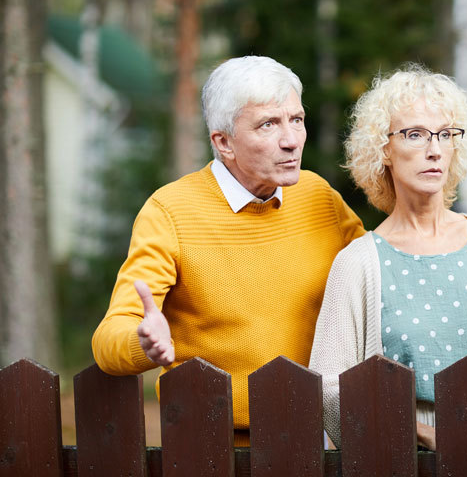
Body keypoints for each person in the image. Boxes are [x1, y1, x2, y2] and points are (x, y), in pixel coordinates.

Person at [91, 56, 365, 446]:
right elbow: (108, 340)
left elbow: (378, 280)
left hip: (317, 439)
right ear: (223, 142)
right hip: (214, 447)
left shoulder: (319, 196)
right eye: (268, 124)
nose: (290, 139)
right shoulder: (170, 212)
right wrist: (143, 341)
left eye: (296, 120)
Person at [309, 66, 467, 451]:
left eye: (445, 134)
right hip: (403, 461)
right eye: (415, 134)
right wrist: (423, 436)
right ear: (383, 149)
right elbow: (331, 388)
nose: (434, 149)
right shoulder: (358, 262)